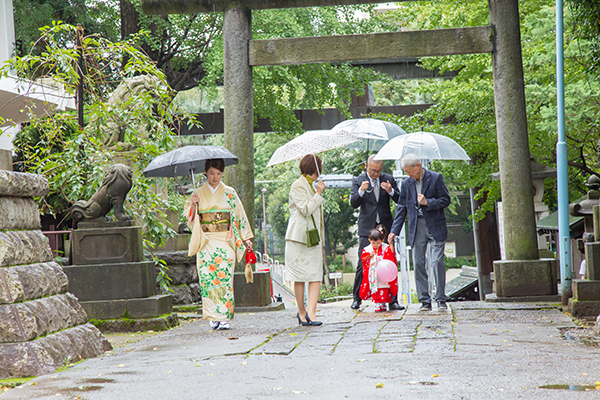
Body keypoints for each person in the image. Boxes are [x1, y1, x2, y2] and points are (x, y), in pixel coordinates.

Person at [184, 158, 254, 330]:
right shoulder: (198, 193)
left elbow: (239, 216)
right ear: (206, 173)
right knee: (208, 280)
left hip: (225, 241)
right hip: (206, 241)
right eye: (212, 173)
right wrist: (193, 205)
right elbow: (190, 219)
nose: (215, 177)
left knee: (225, 279)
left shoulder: (230, 192)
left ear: (222, 174)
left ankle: (224, 317)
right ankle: (212, 316)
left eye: (219, 174)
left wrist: (246, 238)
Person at [388, 154, 451, 311]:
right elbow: (402, 208)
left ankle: (441, 298)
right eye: (405, 171)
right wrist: (394, 231)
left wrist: (427, 202)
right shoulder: (406, 183)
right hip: (417, 226)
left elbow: (445, 200)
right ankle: (424, 300)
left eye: (409, 170)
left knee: (437, 261)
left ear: (418, 165)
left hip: (435, 224)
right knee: (418, 263)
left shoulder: (436, 178)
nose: (408, 174)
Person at [350, 154, 404, 311]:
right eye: (373, 170)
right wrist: (361, 191)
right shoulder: (358, 180)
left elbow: (400, 199)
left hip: (385, 227)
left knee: (389, 263)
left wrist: (391, 191)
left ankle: (392, 300)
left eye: (379, 170)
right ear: (366, 166)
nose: (376, 174)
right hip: (367, 228)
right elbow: (353, 203)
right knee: (362, 263)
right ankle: (357, 298)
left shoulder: (388, 178)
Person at [285, 154, 325, 326]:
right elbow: (306, 209)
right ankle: (302, 312)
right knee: (300, 277)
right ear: (315, 169)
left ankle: (312, 312)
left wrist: (317, 192)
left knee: (316, 275)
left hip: (313, 238)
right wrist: (318, 194)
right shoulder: (297, 185)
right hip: (298, 238)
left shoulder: (313, 186)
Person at [359, 225, 398, 312]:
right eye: (373, 243)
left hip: (383, 272)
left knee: (384, 287)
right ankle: (377, 304)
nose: (376, 245)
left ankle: (383, 303)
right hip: (374, 273)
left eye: (378, 243)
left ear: (382, 240)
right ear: (369, 241)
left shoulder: (385, 247)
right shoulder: (367, 249)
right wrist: (369, 255)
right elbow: (363, 259)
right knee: (375, 287)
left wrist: (391, 244)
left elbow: (391, 255)